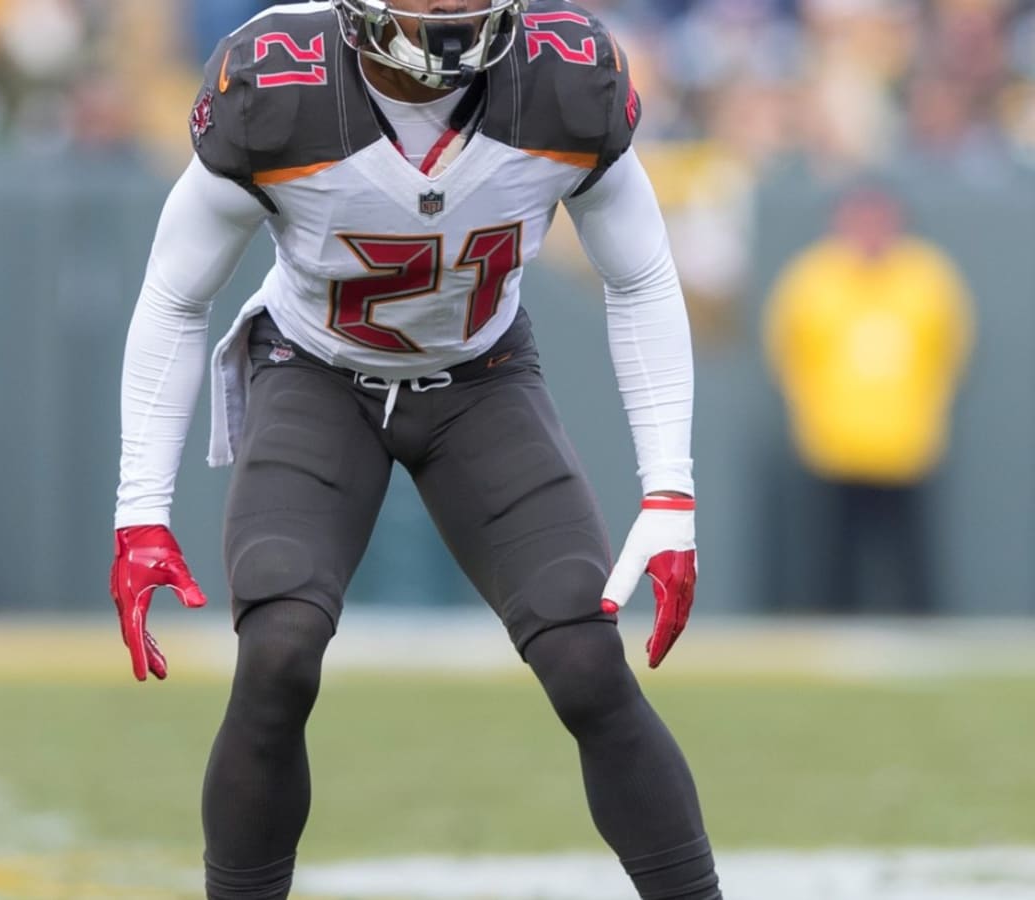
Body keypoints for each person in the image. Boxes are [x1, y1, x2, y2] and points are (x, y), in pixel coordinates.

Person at [108, 0, 723, 897]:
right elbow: (172, 295)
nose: (448, 13)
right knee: (278, 651)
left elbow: (640, 276)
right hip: (315, 373)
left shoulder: (565, 75)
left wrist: (671, 491)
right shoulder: (277, 82)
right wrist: (140, 511)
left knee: (587, 660)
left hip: (481, 379)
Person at [762, 185, 974, 614]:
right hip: (834, 443)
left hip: (906, 440)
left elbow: (951, 348)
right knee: (832, 557)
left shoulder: (926, 276)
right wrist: (812, 410)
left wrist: (927, 408)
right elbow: (787, 350)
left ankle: (923, 634)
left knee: (912, 556)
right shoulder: (814, 277)